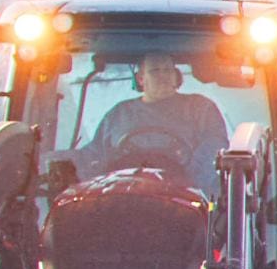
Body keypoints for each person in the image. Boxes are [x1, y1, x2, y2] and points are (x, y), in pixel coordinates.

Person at [85, 58, 233, 188]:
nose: (163, 76)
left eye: (168, 70)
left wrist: (187, 182)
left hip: (187, 199)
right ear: (141, 79)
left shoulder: (200, 108)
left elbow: (214, 148)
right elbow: (95, 154)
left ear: (176, 77)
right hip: (126, 195)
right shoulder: (119, 114)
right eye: (155, 71)